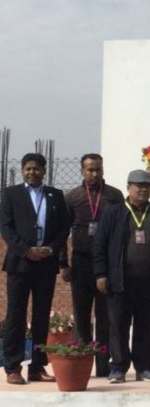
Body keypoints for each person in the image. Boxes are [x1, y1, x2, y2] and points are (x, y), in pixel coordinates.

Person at [93, 169, 150, 384]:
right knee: (118, 324)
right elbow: (100, 244)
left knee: (146, 325)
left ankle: (144, 367)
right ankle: (118, 367)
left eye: (147, 186)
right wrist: (101, 273)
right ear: (128, 187)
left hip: (149, 281)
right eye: (138, 186)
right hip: (120, 280)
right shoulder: (114, 212)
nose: (143, 190)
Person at [0, 153, 70, 385]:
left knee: (41, 316)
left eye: (36, 169)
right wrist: (25, 250)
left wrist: (50, 249)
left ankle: (37, 366)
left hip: (45, 264)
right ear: (22, 171)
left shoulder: (55, 195)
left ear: (44, 170)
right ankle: (12, 366)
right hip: (20, 263)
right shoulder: (11, 194)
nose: (32, 172)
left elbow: (63, 227)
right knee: (16, 316)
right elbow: (6, 227)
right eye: (28, 169)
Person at [61, 153, 123, 378]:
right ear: (82, 171)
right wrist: (63, 263)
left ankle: (104, 365)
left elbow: (121, 231)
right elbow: (62, 232)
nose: (94, 173)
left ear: (103, 170)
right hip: (81, 262)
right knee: (81, 314)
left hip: (107, 265)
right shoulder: (73, 196)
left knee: (105, 316)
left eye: (98, 169)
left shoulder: (114, 196)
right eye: (89, 169)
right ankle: (82, 363)